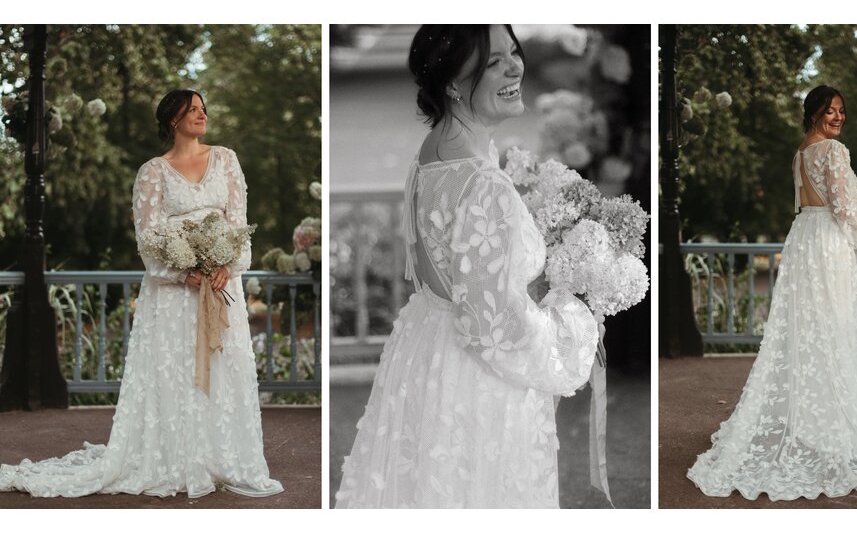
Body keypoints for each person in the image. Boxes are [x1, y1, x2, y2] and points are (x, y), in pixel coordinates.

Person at [335, 25, 600, 508]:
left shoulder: (432, 155)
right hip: (479, 381)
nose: (515, 66)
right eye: (493, 62)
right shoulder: (483, 182)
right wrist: (573, 322)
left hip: (427, 350)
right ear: (453, 84)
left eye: (512, 52)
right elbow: (494, 327)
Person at [0, 90, 283, 498]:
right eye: (193, 110)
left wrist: (225, 265)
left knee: (224, 368)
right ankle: (174, 459)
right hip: (173, 294)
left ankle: (223, 458)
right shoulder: (153, 171)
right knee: (176, 373)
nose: (202, 115)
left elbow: (238, 223)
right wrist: (182, 271)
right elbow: (148, 239)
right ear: (172, 119)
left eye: (204, 109)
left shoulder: (226, 159)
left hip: (222, 285)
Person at [687, 85, 857, 500]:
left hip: (802, 238)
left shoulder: (800, 153)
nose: (838, 117)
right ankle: (829, 419)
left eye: (841, 111)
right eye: (831, 110)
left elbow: (813, 202)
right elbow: (842, 207)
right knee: (832, 325)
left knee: (805, 328)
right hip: (828, 241)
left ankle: (806, 417)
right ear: (815, 112)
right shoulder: (834, 152)